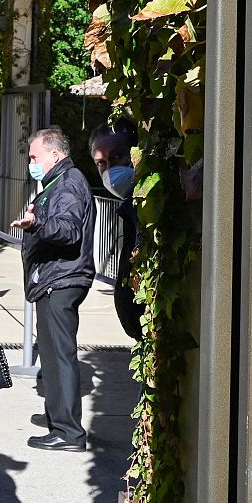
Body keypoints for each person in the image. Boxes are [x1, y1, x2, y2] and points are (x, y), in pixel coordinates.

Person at [11, 127, 96, 452]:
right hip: (54, 278)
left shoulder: (69, 183)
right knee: (52, 353)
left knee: (59, 355)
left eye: (35, 157)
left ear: (54, 154)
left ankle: (68, 432)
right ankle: (58, 417)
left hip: (62, 280)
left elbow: (69, 230)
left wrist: (37, 224)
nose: (31, 162)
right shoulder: (58, 183)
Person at [90, 123, 143, 341]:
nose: (110, 169)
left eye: (117, 156)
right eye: (101, 163)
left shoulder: (151, 208)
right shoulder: (129, 209)